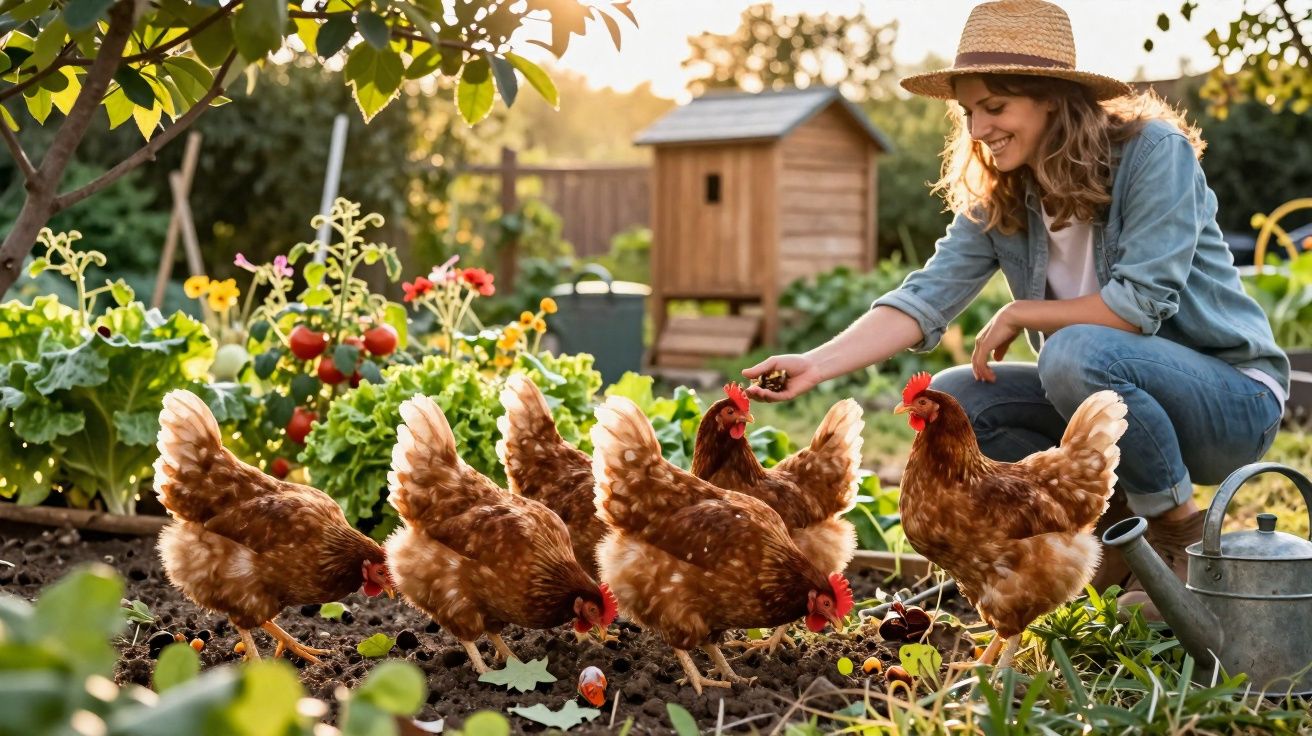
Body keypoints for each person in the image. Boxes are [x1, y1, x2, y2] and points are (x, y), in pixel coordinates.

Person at [742, 0, 1288, 620]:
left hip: (1229, 402)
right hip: (1117, 394)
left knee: (1074, 351)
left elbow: (1140, 306)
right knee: (962, 400)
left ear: (1051, 98)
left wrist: (1025, 312)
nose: (977, 129)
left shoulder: (1152, 154)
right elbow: (926, 296)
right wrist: (818, 362)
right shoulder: (1005, 191)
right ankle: (1114, 540)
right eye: (969, 111)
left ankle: (1180, 540)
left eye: (994, 108)